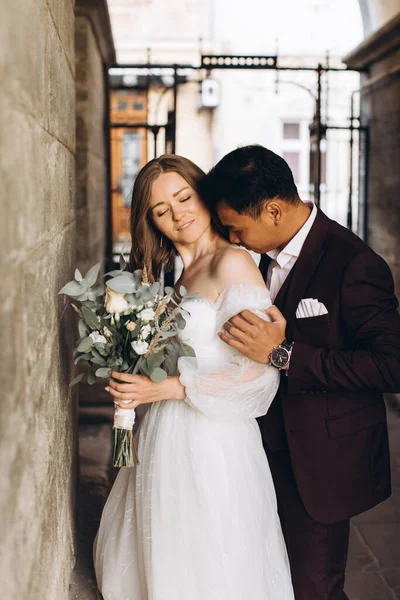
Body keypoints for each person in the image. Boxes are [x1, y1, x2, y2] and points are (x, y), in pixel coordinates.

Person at [200, 144, 400, 600]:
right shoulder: (255, 261)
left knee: (314, 588)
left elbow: (391, 365)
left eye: (237, 228)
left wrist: (286, 354)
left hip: (318, 463)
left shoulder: (354, 263)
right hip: (255, 451)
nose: (232, 239)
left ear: (272, 211)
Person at [93, 154, 295, 600]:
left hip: (214, 442)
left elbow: (258, 377)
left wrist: (165, 388)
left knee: (212, 559)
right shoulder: (173, 277)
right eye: (162, 210)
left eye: (184, 197)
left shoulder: (233, 265)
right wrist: (132, 372)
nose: (178, 213)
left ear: (203, 196)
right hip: (163, 434)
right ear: (151, 221)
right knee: (164, 552)